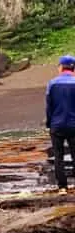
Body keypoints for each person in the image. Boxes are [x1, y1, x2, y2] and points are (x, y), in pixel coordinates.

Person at [46, 54, 75, 194]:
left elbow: (49, 107)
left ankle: (62, 187)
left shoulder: (52, 83)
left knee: (59, 156)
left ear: (61, 67)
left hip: (56, 125)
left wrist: (49, 123)